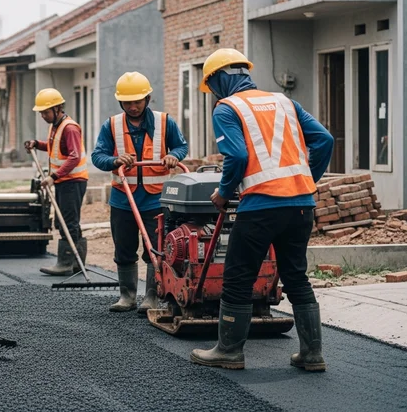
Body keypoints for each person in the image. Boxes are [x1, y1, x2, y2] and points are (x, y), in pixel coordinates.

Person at [190, 48, 333, 371]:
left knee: (238, 277)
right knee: (296, 276)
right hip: (301, 205)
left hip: (262, 207)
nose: (212, 93)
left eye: (210, 87)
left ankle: (229, 351)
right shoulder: (285, 102)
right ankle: (312, 355)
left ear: (219, 79)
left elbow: (237, 158)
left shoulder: (227, 108)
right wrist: (306, 180)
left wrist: (224, 193)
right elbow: (324, 140)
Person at [91, 72, 188, 313]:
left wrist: (173, 156)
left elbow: (181, 146)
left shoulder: (165, 122)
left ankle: (152, 296)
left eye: (137, 101)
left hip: (155, 200)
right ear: (120, 102)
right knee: (123, 247)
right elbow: (97, 156)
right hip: (123, 198)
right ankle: (127, 296)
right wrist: (114, 160)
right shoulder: (111, 125)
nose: (133, 107)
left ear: (147, 98)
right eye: (127, 102)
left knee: (155, 249)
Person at [24, 88, 89, 275]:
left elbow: (74, 156)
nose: (43, 116)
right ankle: (77, 263)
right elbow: (54, 147)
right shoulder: (56, 126)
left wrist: (53, 177)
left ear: (58, 108)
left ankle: (66, 263)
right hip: (65, 181)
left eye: (46, 112)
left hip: (72, 182)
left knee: (67, 222)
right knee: (69, 222)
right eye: (41, 112)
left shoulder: (69, 128)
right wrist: (37, 143)